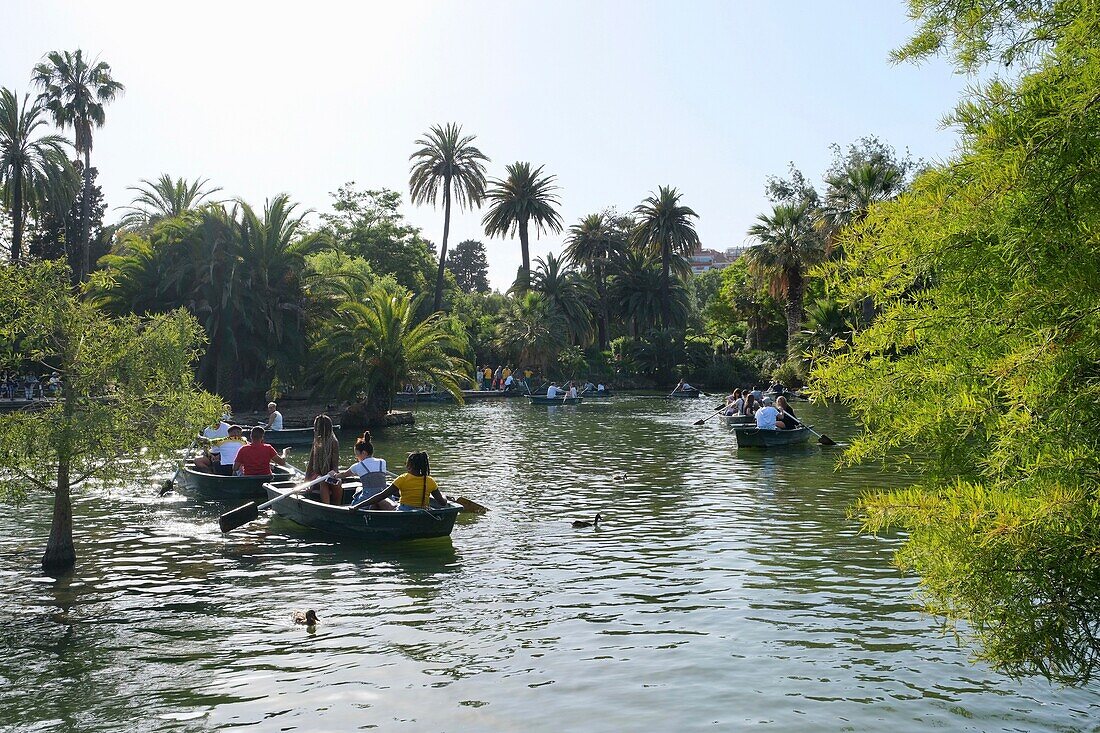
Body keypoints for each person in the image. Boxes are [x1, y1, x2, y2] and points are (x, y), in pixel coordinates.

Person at [360, 450, 448, 512]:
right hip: (424, 511)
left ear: (410, 466)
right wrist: (444, 496)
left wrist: (358, 506)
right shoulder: (430, 481)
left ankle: (371, 522)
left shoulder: (403, 478)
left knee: (379, 501)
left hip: (404, 511)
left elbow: (381, 495)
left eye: (406, 464)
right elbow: (442, 503)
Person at [339, 431, 396, 508]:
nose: (356, 457)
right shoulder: (382, 462)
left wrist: (335, 475)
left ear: (364, 453)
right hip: (385, 495)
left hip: (368, 498)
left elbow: (344, 475)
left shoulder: (357, 466)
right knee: (359, 488)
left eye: (357, 455)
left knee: (358, 490)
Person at [305, 414, 342, 505]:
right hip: (316, 474)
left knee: (338, 482)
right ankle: (327, 506)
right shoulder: (316, 441)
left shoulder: (333, 442)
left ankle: (337, 506)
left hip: (329, 474)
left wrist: (334, 473)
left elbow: (335, 465)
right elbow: (310, 464)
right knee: (322, 481)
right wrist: (306, 481)